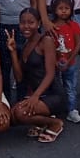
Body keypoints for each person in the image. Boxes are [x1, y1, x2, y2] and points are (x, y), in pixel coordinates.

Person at [6, 8, 66, 142]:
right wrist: (13, 52)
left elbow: (50, 74)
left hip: (53, 95)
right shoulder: (25, 45)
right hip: (38, 96)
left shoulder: (46, 41)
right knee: (11, 116)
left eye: (31, 22)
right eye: (23, 22)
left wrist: (35, 96)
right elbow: (19, 78)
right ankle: (42, 121)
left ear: (38, 23)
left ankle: (55, 123)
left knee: (20, 113)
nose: (26, 26)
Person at [48, 0, 80, 124]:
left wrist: (70, 60)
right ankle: (55, 110)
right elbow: (48, 46)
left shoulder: (74, 25)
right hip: (55, 63)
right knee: (55, 87)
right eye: (60, 8)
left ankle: (72, 110)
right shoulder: (52, 27)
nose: (63, 11)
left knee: (70, 87)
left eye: (66, 8)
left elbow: (78, 44)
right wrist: (54, 61)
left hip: (70, 63)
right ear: (55, 10)